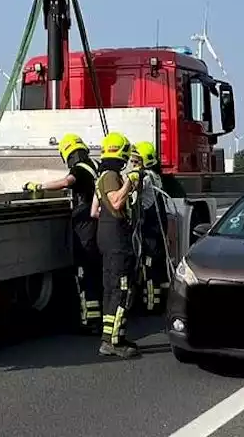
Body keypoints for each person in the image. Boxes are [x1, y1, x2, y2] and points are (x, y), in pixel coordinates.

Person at [24, 133, 102, 333]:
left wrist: (39, 186)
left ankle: (90, 321)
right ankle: (95, 318)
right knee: (93, 273)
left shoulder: (80, 168)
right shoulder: (93, 165)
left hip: (85, 227)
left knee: (85, 275)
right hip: (93, 226)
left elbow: (67, 182)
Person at [94, 131, 141, 358]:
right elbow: (116, 200)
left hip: (110, 239)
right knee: (121, 291)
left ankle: (112, 336)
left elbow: (96, 210)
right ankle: (113, 342)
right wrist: (131, 181)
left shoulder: (104, 175)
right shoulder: (111, 176)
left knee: (112, 290)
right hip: (116, 242)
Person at [132, 141, 171, 314]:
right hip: (157, 226)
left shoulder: (146, 178)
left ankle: (151, 304)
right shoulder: (155, 176)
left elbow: (131, 191)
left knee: (150, 265)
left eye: (136, 161)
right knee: (158, 264)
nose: (133, 165)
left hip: (151, 228)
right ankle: (160, 300)